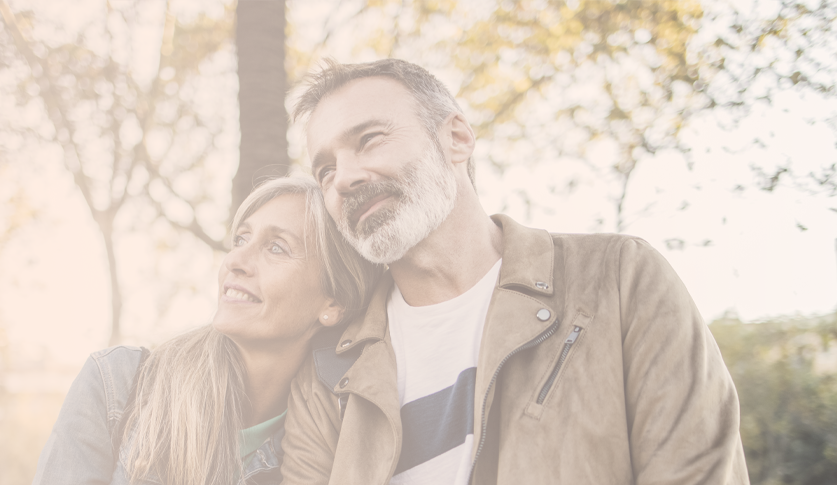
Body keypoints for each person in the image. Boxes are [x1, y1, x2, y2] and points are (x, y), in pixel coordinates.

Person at [281, 59, 748, 485]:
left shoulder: (620, 279)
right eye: (325, 170)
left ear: (456, 139)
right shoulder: (326, 375)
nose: (343, 179)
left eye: (368, 140)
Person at [33, 177, 382, 485]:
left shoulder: (329, 443)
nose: (235, 261)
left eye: (276, 247)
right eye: (240, 239)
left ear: (334, 304)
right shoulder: (116, 385)